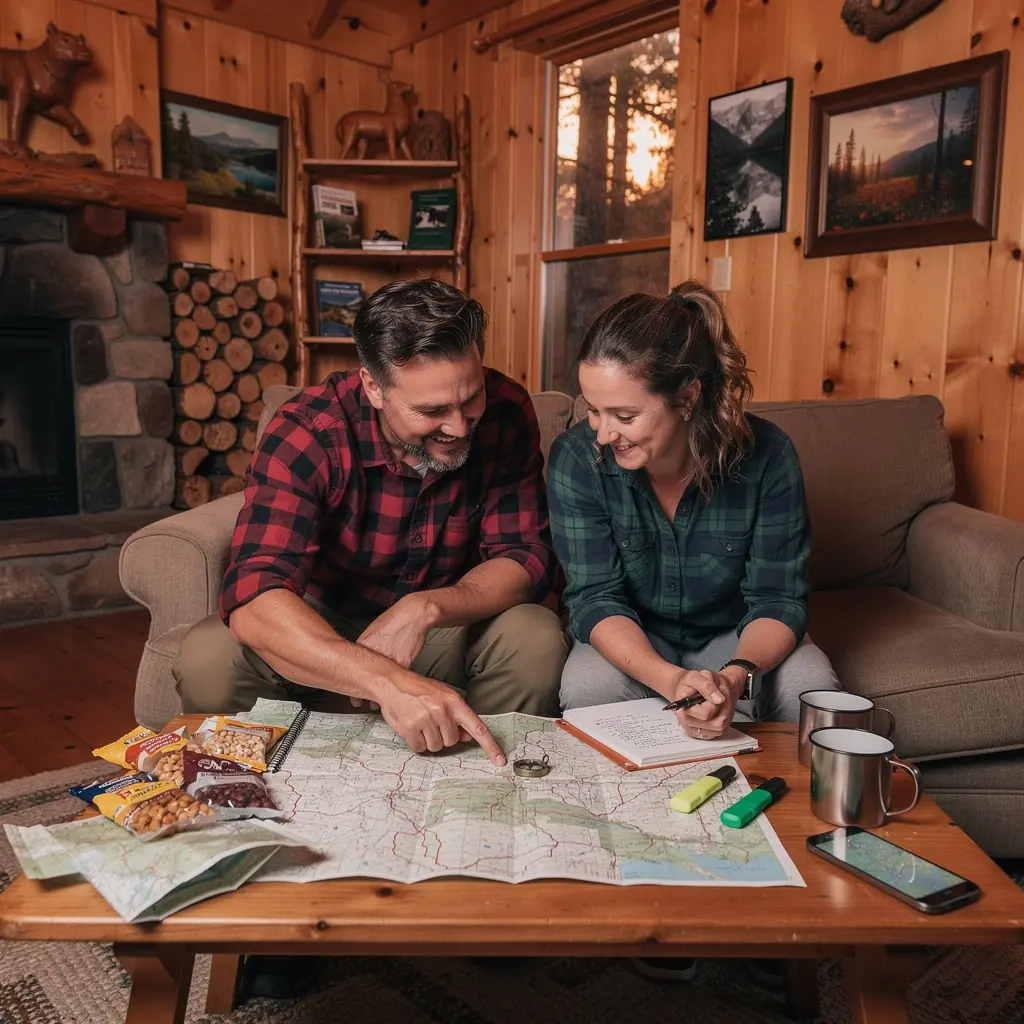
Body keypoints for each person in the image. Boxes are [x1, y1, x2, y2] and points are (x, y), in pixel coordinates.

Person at [547, 281, 840, 984]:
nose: (602, 430)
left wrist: (733, 677)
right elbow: (593, 597)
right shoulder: (575, 461)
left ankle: (782, 905)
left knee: (813, 686)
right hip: (630, 644)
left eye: (623, 413)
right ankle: (647, 890)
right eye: (593, 410)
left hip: (737, 640)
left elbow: (779, 598)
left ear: (688, 398)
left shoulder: (768, 456)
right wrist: (673, 682)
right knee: (583, 683)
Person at [173, 278, 567, 767]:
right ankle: (249, 794)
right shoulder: (308, 427)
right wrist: (384, 679)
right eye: (431, 410)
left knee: (535, 637)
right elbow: (256, 594)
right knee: (209, 655)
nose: (461, 426)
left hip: (445, 622)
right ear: (373, 386)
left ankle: (483, 791)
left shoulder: (506, 410)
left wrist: (423, 609)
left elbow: (524, 556)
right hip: (324, 622)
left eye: (470, 399)